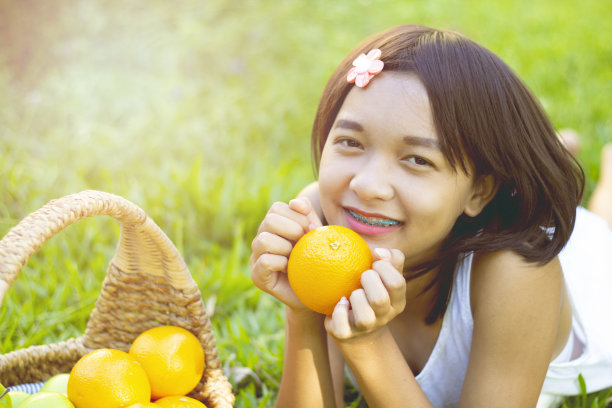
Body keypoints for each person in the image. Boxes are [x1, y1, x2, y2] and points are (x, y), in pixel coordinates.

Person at [250, 24, 612, 407]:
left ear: (479, 192)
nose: (369, 185)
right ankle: (558, 147)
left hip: (591, 274)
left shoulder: (516, 271)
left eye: (418, 159)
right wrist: (303, 312)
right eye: (351, 142)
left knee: (603, 223)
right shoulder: (322, 223)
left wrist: (368, 343)